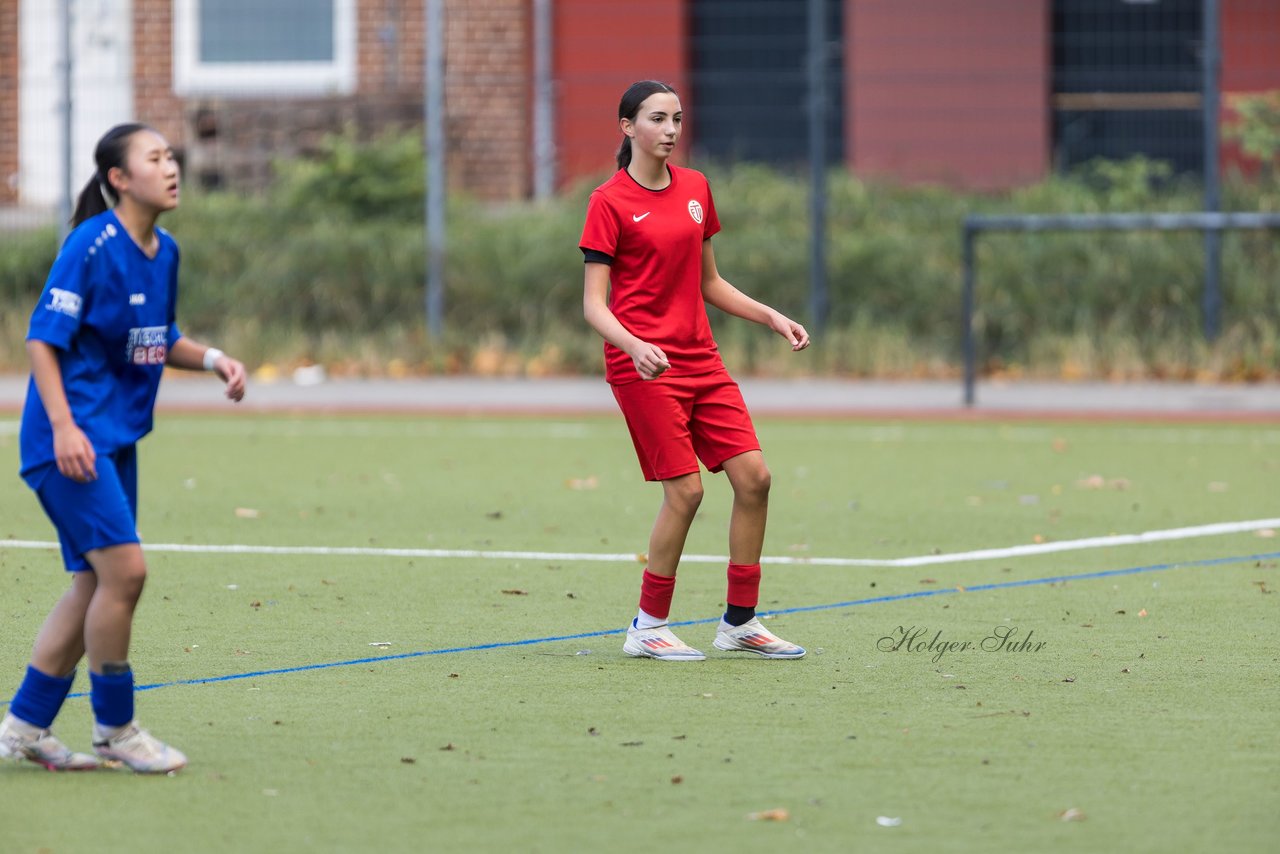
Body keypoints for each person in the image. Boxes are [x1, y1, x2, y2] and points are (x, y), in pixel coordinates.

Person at [0, 123, 247, 773]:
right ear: (118, 178)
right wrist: (62, 427)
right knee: (126, 575)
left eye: (172, 157)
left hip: (113, 440)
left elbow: (157, 337)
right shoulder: (89, 245)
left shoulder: (164, 252)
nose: (172, 168)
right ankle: (116, 729)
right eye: (155, 157)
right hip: (69, 441)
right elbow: (42, 340)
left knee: (93, 583)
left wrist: (216, 358)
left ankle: (23, 727)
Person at [580, 81, 810, 662]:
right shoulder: (608, 200)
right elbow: (593, 305)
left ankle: (739, 622)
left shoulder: (696, 188)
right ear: (628, 127)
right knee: (685, 492)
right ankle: (647, 626)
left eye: (677, 119)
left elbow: (709, 283)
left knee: (755, 478)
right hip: (644, 368)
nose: (671, 129)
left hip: (701, 359)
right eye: (657, 119)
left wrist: (772, 317)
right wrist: (634, 345)